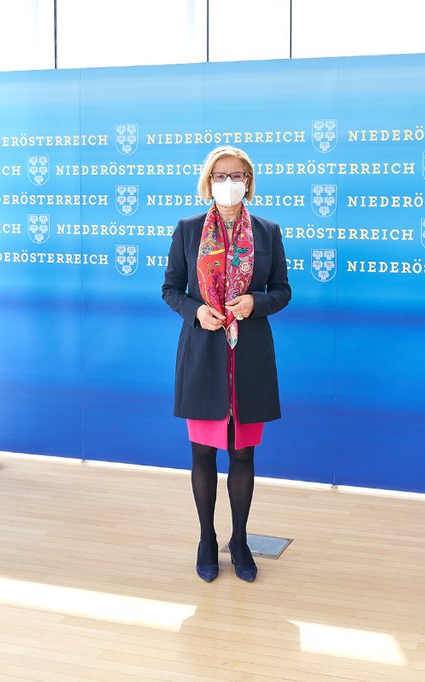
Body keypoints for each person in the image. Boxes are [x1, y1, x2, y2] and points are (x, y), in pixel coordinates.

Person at [162, 146, 291, 582]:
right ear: (208, 181)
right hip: (203, 355)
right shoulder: (188, 230)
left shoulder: (269, 232)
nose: (228, 183)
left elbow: (283, 291)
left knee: (242, 455)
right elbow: (171, 289)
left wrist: (256, 301)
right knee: (201, 455)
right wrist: (196, 311)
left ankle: (239, 540)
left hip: (250, 358)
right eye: (220, 176)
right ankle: (205, 539)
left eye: (236, 176)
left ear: (248, 182)